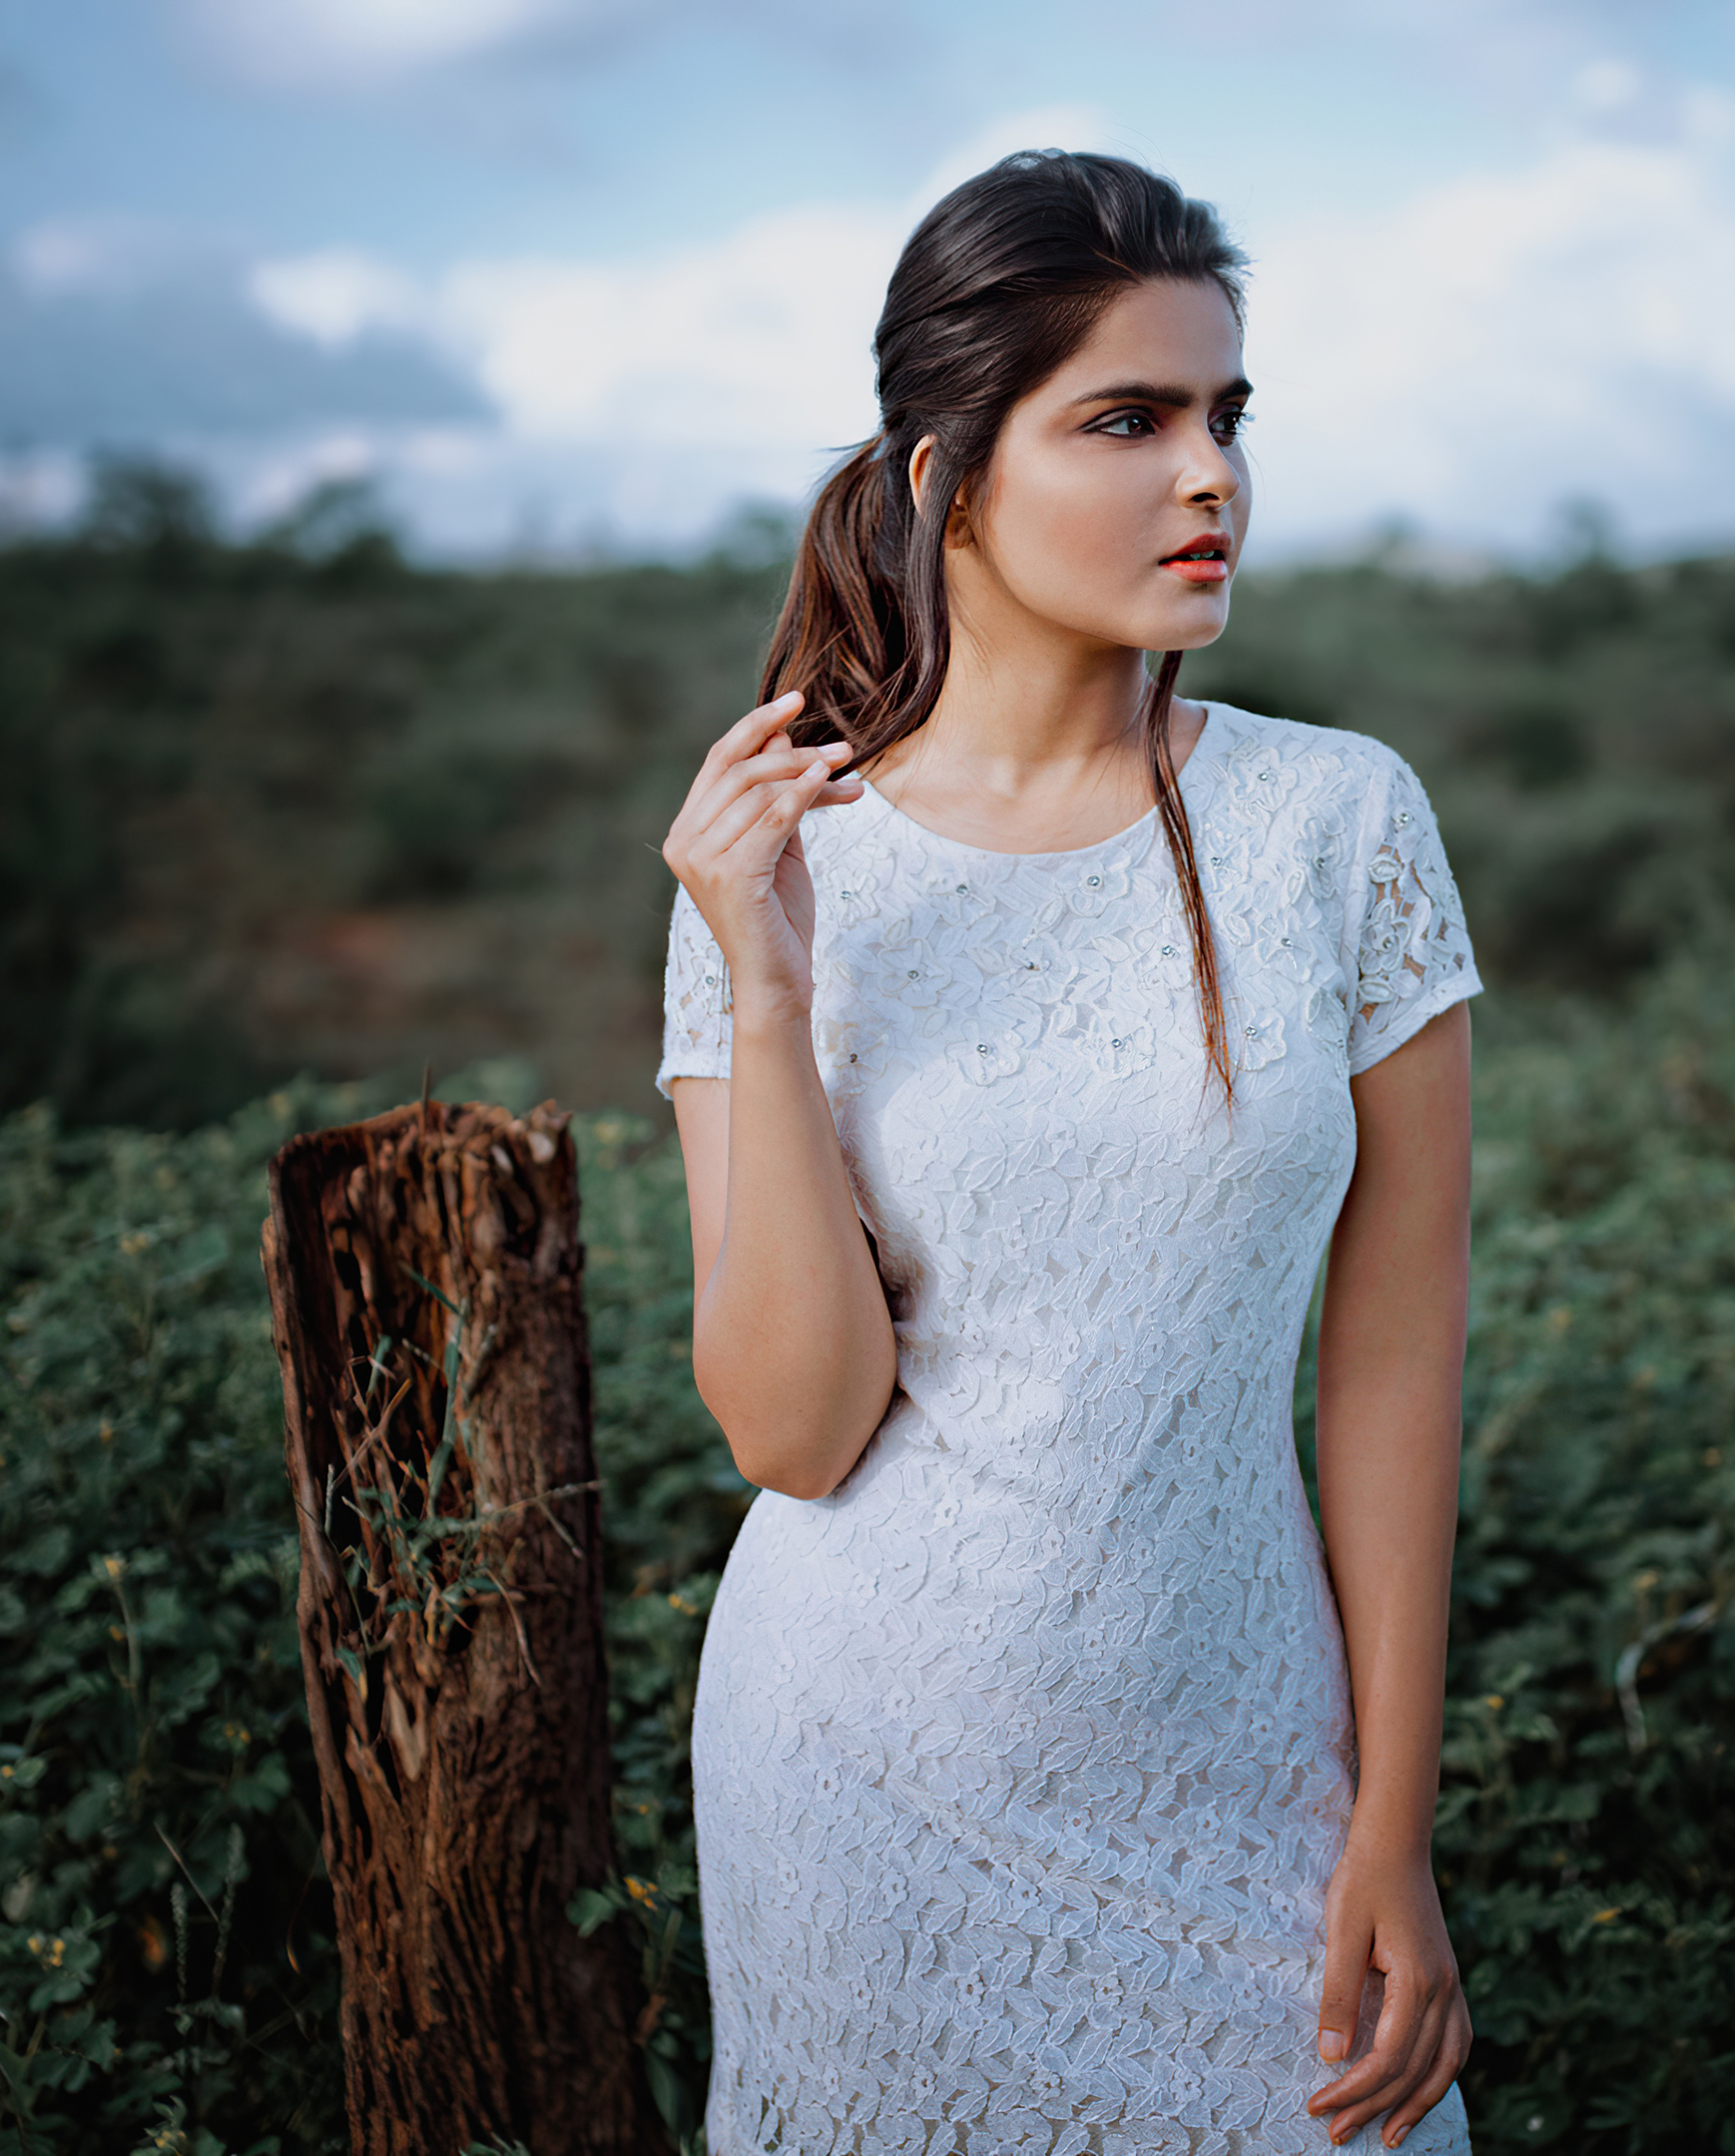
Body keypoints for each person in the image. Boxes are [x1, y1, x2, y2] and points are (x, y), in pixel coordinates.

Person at [654, 149, 1481, 2154]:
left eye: (1226, 417)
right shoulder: (784, 870)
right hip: (860, 1790)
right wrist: (763, 984)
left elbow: (1391, 1364)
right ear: (946, 469)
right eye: (1127, 419)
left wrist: (1391, 1827)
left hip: (1251, 1790)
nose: (1209, 477)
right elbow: (793, 1428)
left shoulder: (1337, 822)